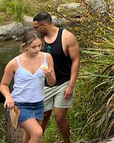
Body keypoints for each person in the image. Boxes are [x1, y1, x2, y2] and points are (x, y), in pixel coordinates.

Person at [32, 12, 80, 143]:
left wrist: (71, 85)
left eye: (36, 27)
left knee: (59, 118)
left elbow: (76, 60)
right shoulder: (38, 39)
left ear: (45, 25)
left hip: (63, 82)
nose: (34, 30)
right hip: (44, 84)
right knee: (43, 117)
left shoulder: (67, 37)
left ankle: (67, 142)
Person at [0, 31, 56, 143]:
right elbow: (3, 85)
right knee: (37, 133)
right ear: (25, 46)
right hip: (20, 104)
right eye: (33, 47)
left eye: (40, 46)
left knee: (31, 136)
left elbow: (52, 82)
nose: (37, 49)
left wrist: (49, 76)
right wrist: (8, 97)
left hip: (38, 103)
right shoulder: (14, 63)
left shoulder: (47, 57)